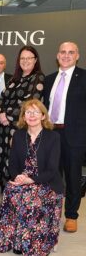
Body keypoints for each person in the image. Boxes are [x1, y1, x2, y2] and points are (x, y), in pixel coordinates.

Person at [0, 99, 63, 256]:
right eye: (28, 112)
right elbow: (12, 164)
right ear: (24, 117)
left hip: (46, 182)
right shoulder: (18, 136)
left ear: (42, 116)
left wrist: (31, 180)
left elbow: (52, 169)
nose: (31, 115)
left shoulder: (53, 137)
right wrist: (17, 177)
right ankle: (14, 241)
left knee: (30, 199)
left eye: (35, 112)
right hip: (23, 179)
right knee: (10, 192)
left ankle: (30, 244)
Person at [43, 41, 86, 233]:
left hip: (74, 135)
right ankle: (51, 212)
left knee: (73, 176)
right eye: (63, 52)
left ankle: (71, 216)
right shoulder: (49, 79)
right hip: (51, 133)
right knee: (51, 174)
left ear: (77, 56)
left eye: (71, 52)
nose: (66, 55)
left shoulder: (84, 77)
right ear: (57, 55)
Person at [0, 45, 44, 185]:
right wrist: (0, 114)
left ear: (35, 60)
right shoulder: (14, 79)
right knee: (5, 163)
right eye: (22, 58)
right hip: (4, 129)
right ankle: (8, 195)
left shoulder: (38, 77)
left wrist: (7, 115)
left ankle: (19, 200)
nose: (25, 61)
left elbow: (29, 103)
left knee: (18, 163)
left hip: (21, 129)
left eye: (29, 58)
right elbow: (1, 99)